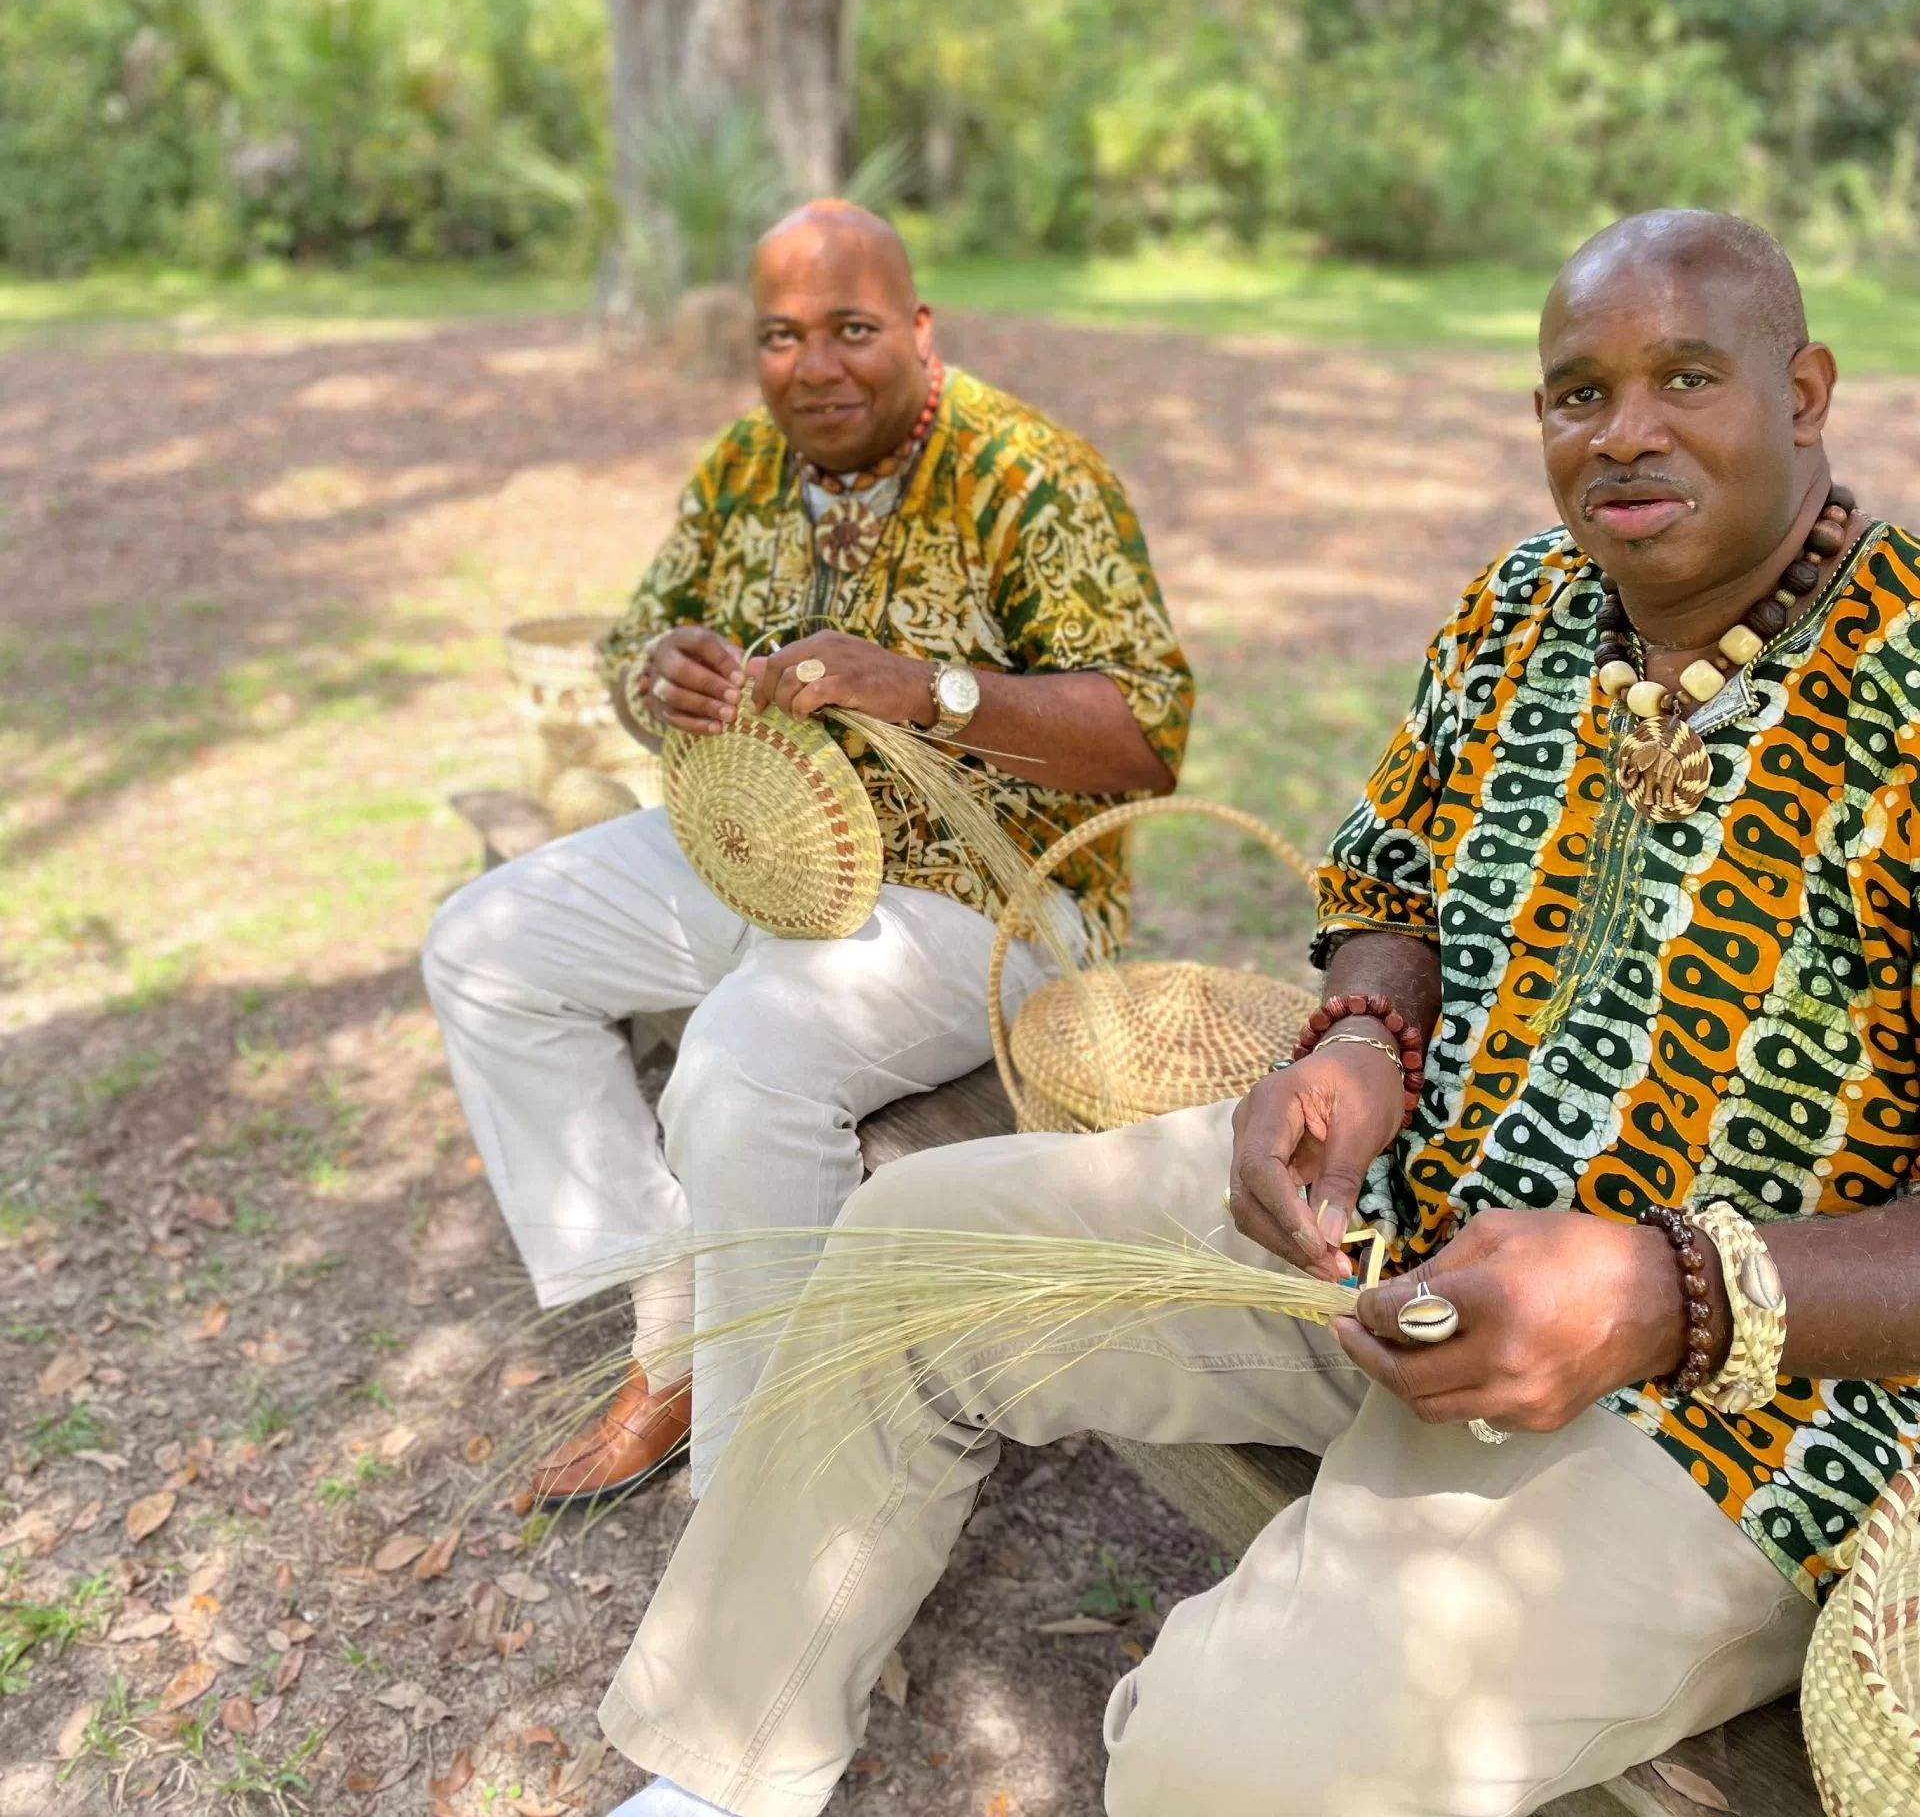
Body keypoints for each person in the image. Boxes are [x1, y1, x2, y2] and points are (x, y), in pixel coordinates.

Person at [596, 209, 1920, 1817]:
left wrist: (1663, 1290)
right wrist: (1362, 1042)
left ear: (1806, 392)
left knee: (1224, 1768)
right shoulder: (1520, 611)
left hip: (1738, 1414)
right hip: (1386, 1237)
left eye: (1686, 377)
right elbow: (1390, 885)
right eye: (1578, 393)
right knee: (904, 1261)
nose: (1623, 431)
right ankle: (729, 1778)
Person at [421, 200, 1192, 1503]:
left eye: (852, 329)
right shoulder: (743, 468)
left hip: (980, 895)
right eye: (783, 338)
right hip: (757, 843)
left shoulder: (1030, 478)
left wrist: (929, 691)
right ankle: (675, 1344)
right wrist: (657, 676)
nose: (817, 367)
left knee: (737, 1069)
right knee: (483, 948)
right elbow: (632, 646)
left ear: (919, 328)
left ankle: (759, 1485)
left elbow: (1144, 734)